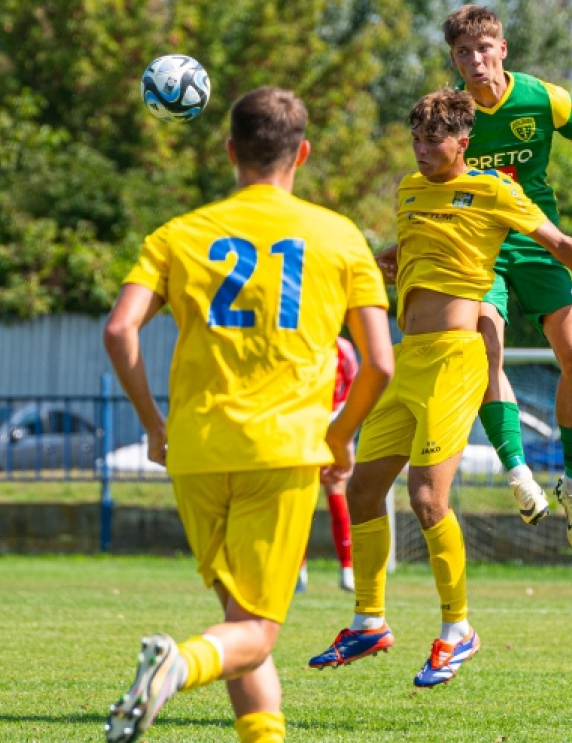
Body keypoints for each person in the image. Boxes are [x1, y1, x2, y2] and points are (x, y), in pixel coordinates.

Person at [308, 88, 572, 688]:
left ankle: (457, 630)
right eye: (415, 139)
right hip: (405, 360)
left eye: (433, 140)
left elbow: (561, 244)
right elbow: (418, 250)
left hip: (456, 361)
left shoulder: (498, 191)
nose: (421, 150)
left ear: (463, 142)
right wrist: (383, 262)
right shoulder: (408, 190)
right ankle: (368, 621)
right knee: (361, 491)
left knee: (426, 499)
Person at [102, 86, 394, 743]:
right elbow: (380, 364)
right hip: (283, 451)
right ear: (304, 153)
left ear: (230, 150)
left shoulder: (180, 235)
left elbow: (121, 331)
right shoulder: (339, 237)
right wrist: (341, 437)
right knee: (255, 632)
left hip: (198, 450)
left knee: (242, 623)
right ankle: (177, 664)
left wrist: (153, 422)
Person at [377, 4, 572, 558]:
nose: (474, 60)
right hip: (479, 249)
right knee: (485, 350)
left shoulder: (544, 98)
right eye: (462, 52)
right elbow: (438, 189)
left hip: (537, 236)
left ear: (503, 48)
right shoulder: (452, 112)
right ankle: (518, 474)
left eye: (482, 48)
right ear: (453, 59)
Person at [297, 335, 359, 593]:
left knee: (336, 496)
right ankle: (297, 572)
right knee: (300, 502)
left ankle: (347, 569)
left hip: (334, 428)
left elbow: (352, 389)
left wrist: (340, 432)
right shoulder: (303, 342)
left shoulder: (342, 348)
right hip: (304, 427)